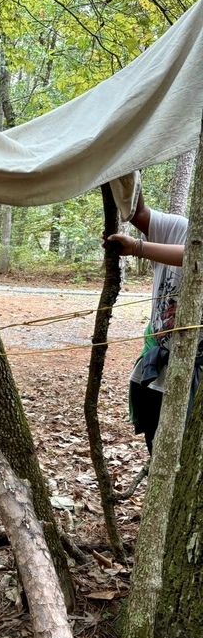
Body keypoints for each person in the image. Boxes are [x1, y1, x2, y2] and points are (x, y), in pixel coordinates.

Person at [107, 191, 199, 453]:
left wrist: (138, 247)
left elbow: (196, 258)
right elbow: (137, 212)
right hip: (157, 367)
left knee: (188, 460)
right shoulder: (178, 228)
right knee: (157, 448)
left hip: (196, 378)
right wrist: (124, 165)